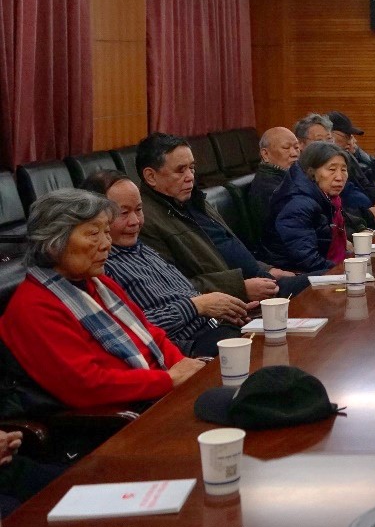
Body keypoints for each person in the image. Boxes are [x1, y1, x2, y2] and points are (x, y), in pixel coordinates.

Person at [0, 189, 204, 409]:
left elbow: (150, 334)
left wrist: (182, 365)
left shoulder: (99, 283)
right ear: (53, 242)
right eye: (93, 234)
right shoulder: (33, 308)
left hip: (162, 390)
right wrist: (169, 379)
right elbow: (86, 385)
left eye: (106, 232)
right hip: (124, 415)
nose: (107, 243)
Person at [82, 170, 251, 358]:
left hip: (217, 326)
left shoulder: (142, 247)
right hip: (187, 350)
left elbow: (188, 296)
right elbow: (133, 328)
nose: (135, 221)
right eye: (124, 213)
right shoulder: (102, 267)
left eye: (139, 210)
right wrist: (196, 306)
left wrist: (228, 309)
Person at [134, 132, 307, 301]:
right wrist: (240, 289)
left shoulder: (195, 200)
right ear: (151, 176)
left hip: (262, 281)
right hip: (235, 301)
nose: (190, 177)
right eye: (180, 171)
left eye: (191, 168)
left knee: (322, 282)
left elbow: (229, 247)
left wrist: (267, 269)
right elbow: (172, 285)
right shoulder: (144, 222)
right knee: (318, 287)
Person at [260, 142, 350, 273]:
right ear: (311, 172)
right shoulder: (298, 205)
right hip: (295, 274)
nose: (339, 177)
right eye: (331, 169)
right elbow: (308, 261)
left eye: (343, 170)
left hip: (325, 265)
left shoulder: (329, 198)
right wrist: (347, 270)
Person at [248, 126, 302, 223]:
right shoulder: (268, 188)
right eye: (286, 148)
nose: (294, 153)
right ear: (265, 154)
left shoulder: (294, 176)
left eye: (296, 147)